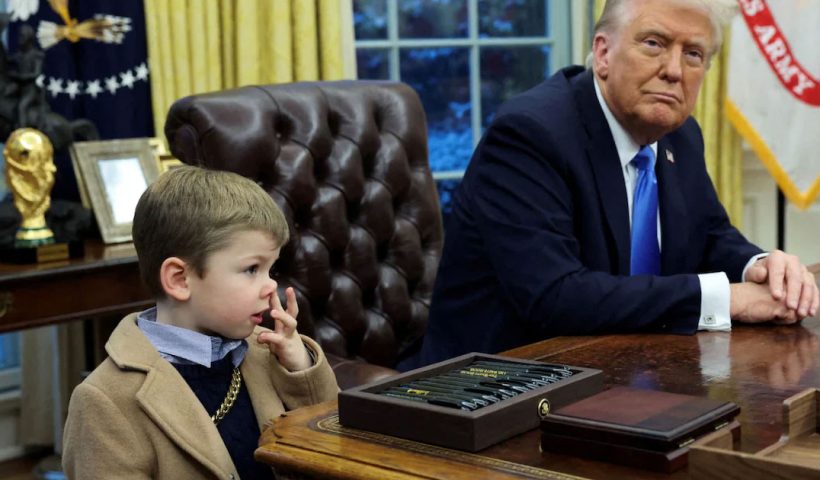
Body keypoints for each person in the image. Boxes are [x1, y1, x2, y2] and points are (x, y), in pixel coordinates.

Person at [404, 0, 819, 369]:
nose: (674, 71)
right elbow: (557, 296)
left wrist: (760, 266)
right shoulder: (530, 135)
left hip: (627, 372)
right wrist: (728, 299)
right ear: (603, 53)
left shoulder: (680, 134)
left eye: (693, 54)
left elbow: (708, 234)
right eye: (654, 43)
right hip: (499, 386)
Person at [62, 166, 339, 479]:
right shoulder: (104, 402)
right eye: (251, 269)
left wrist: (300, 368)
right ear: (180, 279)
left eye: (270, 270)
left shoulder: (268, 353)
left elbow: (340, 446)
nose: (269, 287)